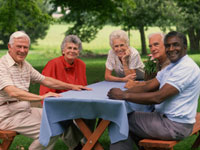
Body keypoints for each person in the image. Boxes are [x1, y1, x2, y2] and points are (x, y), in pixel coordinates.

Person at [107, 31, 200, 150]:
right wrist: (124, 92)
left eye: (175, 45)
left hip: (174, 125)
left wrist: (123, 96)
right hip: (167, 119)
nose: (171, 49)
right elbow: (149, 86)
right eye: (168, 46)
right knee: (125, 118)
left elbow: (158, 97)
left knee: (119, 119)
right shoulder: (173, 66)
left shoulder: (185, 67)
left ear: (185, 47)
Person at [0, 31, 90, 150]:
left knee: (61, 117)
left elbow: (45, 80)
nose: (22, 50)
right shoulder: (2, 65)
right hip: (8, 115)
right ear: (9, 47)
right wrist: (41, 97)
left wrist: (72, 86)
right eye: (19, 46)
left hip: (25, 110)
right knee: (51, 130)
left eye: (25, 47)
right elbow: (13, 92)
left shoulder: (25, 65)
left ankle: (77, 147)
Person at [39, 34, 95, 150]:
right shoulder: (53, 64)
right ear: (63, 50)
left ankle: (89, 141)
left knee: (92, 111)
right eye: (69, 48)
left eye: (75, 48)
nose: (72, 51)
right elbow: (45, 93)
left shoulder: (81, 65)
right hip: (58, 104)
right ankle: (76, 146)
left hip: (76, 102)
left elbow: (82, 87)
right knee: (62, 118)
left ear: (79, 52)